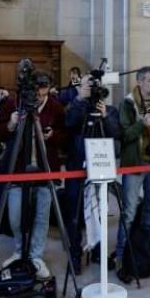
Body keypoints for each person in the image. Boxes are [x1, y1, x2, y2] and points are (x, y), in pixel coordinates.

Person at [0, 71, 66, 279]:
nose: (39, 96)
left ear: (49, 89)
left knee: (41, 217)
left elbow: (65, 135)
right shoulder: (13, 103)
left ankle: (35, 255)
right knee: (15, 215)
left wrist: (53, 136)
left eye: (44, 92)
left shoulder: (55, 106)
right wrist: (11, 124)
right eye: (37, 91)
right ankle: (19, 250)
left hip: (45, 169)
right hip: (18, 169)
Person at [63, 73, 120, 274]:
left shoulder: (110, 110)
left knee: (100, 211)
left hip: (100, 167)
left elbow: (115, 134)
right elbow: (68, 122)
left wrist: (104, 116)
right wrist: (80, 98)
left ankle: (98, 251)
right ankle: (75, 254)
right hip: (77, 166)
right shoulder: (76, 106)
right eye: (89, 85)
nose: (93, 89)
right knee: (74, 215)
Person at [115, 66, 150, 279]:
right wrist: (141, 124)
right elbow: (124, 134)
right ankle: (121, 254)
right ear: (139, 82)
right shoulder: (127, 103)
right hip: (135, 163)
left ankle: (148, 249)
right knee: (128, 212)